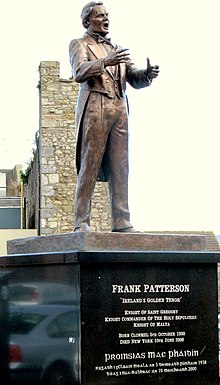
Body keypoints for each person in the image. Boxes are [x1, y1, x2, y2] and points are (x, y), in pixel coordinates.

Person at [69, 1, 159, 233]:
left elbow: (133, 77)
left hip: (119, 107)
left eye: (107, 15)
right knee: (90, 164)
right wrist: (104, 63)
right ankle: (81, 222)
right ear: (87, 21)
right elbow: (79, 72)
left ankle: (122, 221)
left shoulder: (115, 48)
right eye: (100, 15)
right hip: (96, 106)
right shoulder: (79, 44)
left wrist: (147, 74)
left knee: (121, 166)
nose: (106, 19)